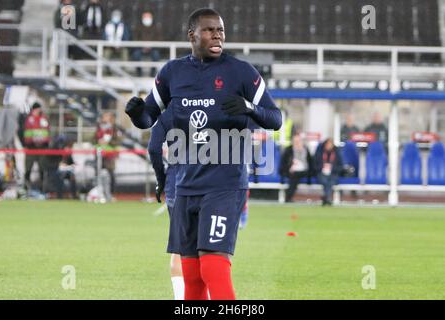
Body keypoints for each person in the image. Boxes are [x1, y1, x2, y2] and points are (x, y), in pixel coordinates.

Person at [125, 8, 282, 300]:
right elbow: (149, 117)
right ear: (192, 35)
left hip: (224, 185)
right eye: (210, 30)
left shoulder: (241, 72)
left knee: (213, 266)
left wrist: (250, 109)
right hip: (185, 186)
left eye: (220, 30)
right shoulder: (173, 72)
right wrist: (137, 115)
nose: (217, 35)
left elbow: (275, 119)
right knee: (192, 275)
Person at [148, 110, 184, 300]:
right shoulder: (208, 104)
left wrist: (161, 179)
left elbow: (154, 148)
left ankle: (181, 300)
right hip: (205, 185)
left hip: (174, 183)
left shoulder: (168, 113)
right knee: (208, 249)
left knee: (179, 248)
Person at [23, 102, 50, 192]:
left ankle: (43, 189)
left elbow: (47, 132)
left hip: (42, 148)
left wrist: (46, 143)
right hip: (31, 148)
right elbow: (26, 133)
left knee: (42, 169)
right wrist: (27, 144)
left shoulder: (44, 119)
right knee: (28, 169)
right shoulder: (29, 119)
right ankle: (26, 188)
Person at [279, 133, 312, 203]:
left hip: (305, 171)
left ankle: (288, 196)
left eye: (298, 141)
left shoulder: (305, 149)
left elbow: (310, 162)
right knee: (295, 174)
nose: (297, 143)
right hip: (291, 171)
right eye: (295, 141)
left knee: (296, 175)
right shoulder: (289, 150)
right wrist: (290, 168)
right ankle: (289, 197)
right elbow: (284, 163)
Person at [93, 112, 121, 195]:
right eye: (104, 117)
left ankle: (111, 194)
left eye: (107, 117)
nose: (104, 119)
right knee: (98, 174)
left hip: (109, 155)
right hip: (99, 155)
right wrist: (98, 141)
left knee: (110, 175)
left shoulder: (115, 129)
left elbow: (117, 141)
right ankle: (99, 193)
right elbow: (93, 139)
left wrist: (108, 142)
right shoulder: (98, 128)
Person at [131, 11, 162, 77]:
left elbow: (159, 39)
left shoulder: (156, 27)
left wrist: (151, 46)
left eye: (148, 17)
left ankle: (152, 74)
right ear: (142, 18)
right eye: (145, 17)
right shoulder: (137, 27)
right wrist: (142, 46)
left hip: (153, 48)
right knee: (136, 55)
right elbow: (135, 38)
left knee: (156, 55)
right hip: (141, 48)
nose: (147, 18)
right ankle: (139, 74)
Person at [314, 138, 343, 206]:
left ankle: (326, 197)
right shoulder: (319, 153)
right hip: (321, 173)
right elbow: (315, 165)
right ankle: (328, 198)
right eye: (327, 144)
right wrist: (322, 168)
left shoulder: (337, 153)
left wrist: (332, 168)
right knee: (324, 181)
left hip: (333, 173)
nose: (329, 146)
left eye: (330, 144)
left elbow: (340, 166)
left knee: (331, 182)